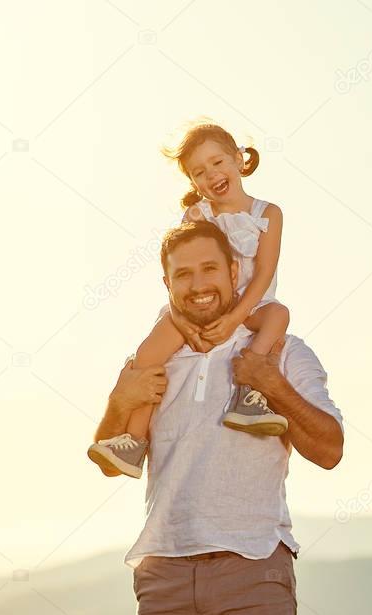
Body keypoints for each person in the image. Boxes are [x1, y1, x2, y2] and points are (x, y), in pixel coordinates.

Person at [92, 221, 345, 614]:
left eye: (209, 268)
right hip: (164, 574)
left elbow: (330, 451)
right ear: (167, 283)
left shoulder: (282, 351)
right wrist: (117, 402)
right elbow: (112, 464)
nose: (198, 285)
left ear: (232, 272)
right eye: (183, 274)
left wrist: (271, 385)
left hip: (253, 568)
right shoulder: (152, 359)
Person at [87, 123, 290, 479]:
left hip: (249, 307)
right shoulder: (197, 216)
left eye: (217, 162)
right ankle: (134, 441)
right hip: (199, 308)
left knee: (278, 316)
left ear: (239, 160)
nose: (212, 175)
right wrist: (182, 323)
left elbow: (263, 275)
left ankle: (248, 396)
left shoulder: (267, 214)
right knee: (149, 355)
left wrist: (234, 319)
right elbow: (178, 269)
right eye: (199, 172)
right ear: (193, 183)